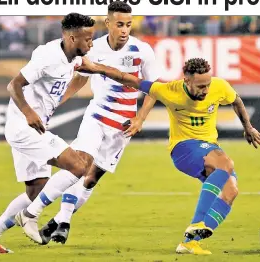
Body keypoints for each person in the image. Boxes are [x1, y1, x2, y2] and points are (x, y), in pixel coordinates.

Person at [77, 57, 260, 255]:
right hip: (183, 149)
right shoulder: (168, 90)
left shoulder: (220, 86)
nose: (206, 91)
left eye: (207, 85)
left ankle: (190, 242)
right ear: (187, 81)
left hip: (208, 147)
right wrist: (95, 68)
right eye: (201, 86)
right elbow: (127, 78)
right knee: (225, 163)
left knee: (231, 191)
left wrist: (248, 128)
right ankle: (198, 222)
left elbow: (236, 101)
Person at [26, 1, 160, 245]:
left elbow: (154, 89)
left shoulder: (142, 51)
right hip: (96, 116)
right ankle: (60, 222)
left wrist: (140, 118)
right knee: (80, 165)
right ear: (107, 23)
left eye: (128, 25)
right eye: (119, 24)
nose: (124, 30)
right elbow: (79, 79)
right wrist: (57, 102)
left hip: (123, 125)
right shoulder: (93, 48)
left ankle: (57, 221)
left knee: (91, 179)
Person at [0, 13, 95, 253]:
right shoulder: (47, 57)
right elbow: (14, 85)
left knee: (36, 191)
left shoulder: (73, 57)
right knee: (80, 166)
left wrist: (58, 100)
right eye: (88, 38)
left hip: (33, 128)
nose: (91, 42)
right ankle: (29, 216)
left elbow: (81, 76)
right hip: (24, 127)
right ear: (72, 37)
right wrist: (29, 112)